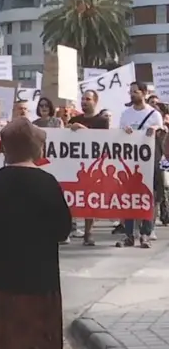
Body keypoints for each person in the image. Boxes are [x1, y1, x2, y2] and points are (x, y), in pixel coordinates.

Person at [0, 118, 72, 349]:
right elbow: (63, 230)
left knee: (5, 343)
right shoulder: (48, 182)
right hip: (41, 277)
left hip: (2, 276)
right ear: (35, 148)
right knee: (43, 345)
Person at [119, 82, 163, 248]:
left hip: (149, 162)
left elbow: (161, 130)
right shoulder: (125, 114)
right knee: (130, 198)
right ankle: (129, 234)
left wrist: (155, 128)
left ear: (144, 93)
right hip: (130, 163)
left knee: (147, 197)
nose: (132, 95)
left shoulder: (154, 114)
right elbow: (120, 134)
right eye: (130, 92)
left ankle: (145, 233)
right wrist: (125, 130)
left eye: (135, 92)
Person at [68, 89, 109, 246]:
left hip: (94, 166)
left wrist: (82, 130)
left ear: (95, 102)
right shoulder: (74, 119)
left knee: (90, 199)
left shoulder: (102, 120)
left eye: (88, 99)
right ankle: (69, 229)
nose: (84, 102)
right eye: (83, 99)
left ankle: (88, 232)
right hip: (75, 164)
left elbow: (102, 140)